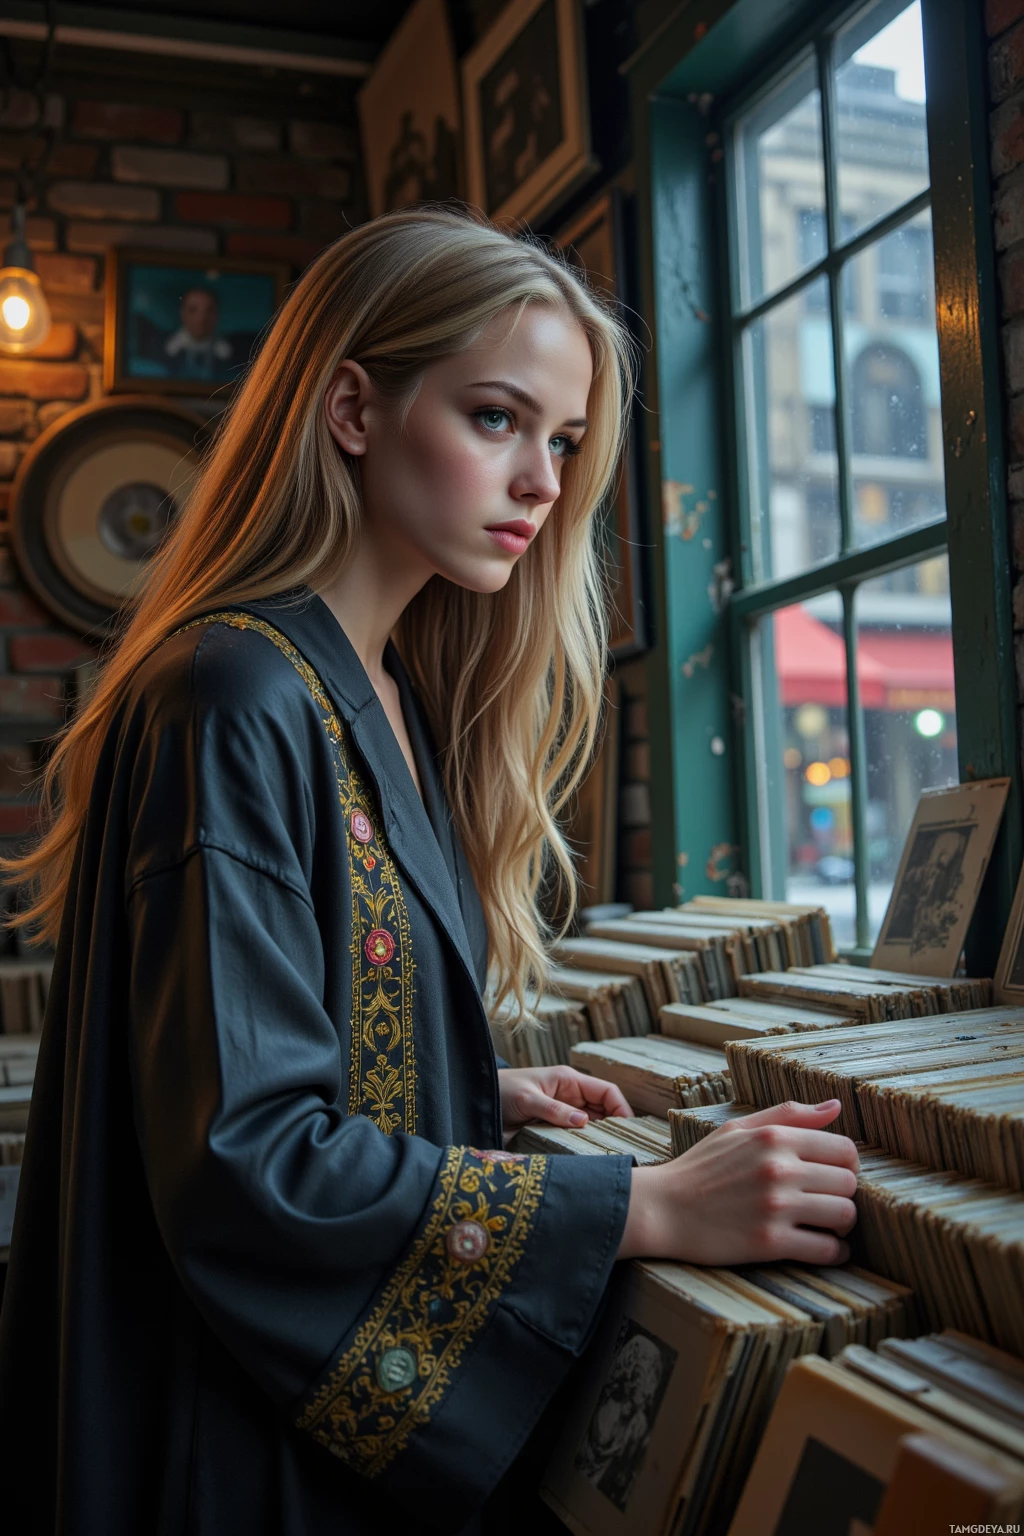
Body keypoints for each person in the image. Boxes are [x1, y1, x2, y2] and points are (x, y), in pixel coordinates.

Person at [0, 205, 859, 1536]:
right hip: (232, 1451)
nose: (544, 485)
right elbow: (245, 1160)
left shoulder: (383, 689)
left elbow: (268, 1045)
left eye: (566, 443)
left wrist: (467, 1085)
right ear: (353, 408)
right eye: (498, 419)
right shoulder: (237, 693)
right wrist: (641, 1203)